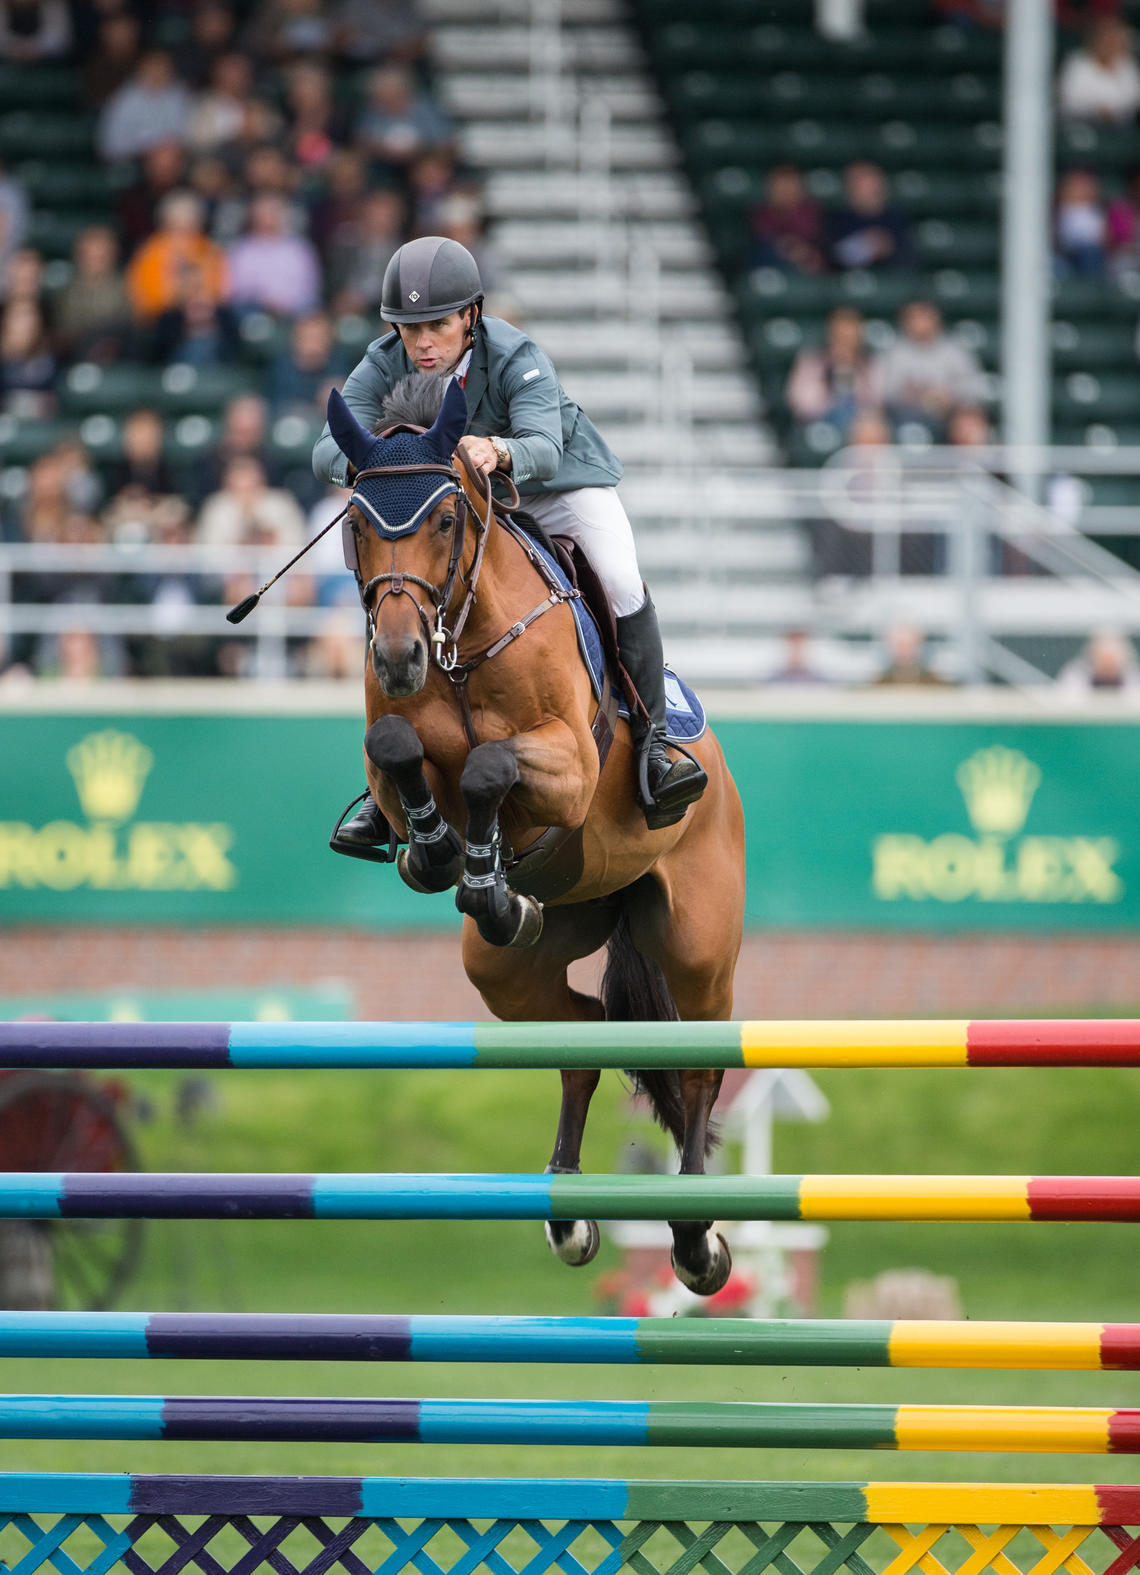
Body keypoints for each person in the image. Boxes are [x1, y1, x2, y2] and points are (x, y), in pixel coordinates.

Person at [313, 234, 706, 840]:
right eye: (407, 327)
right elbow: (325, 452)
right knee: (396, 569)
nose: (421, 343)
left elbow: (545, 451)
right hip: (460, 499)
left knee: (622, 579)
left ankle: (653, 743)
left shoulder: (516, 353)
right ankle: (387, 779)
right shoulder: (384, 358)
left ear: (470, 315)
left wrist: (495, 448)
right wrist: (382, 464)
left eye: (437, 325)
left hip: (554, 486)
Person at [1058, 16, 1140, 123]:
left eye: (1116, 40)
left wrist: (1115, 111)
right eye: (1107, 39)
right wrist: (1095, 109)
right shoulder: (1078, 63)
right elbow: (1069, 100)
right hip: (1082, 124)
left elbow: (1135, 98)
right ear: (1096, 40)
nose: (1111, 45)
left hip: (1121, 127)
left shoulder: (1127, 65)